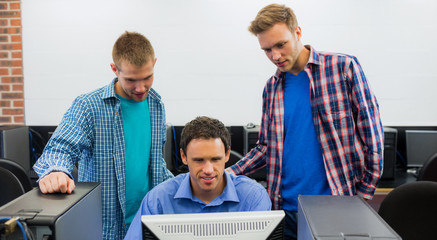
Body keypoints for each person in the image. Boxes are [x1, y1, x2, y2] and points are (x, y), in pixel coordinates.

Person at [226, 4, 384, 239]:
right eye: (267, 50)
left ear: (297, 32)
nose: (275, 56)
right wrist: (226, 173)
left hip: (337, 205)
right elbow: (265, 148)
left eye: (281, 44)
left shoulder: (343, 68)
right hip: (284, 207)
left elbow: (372, 136)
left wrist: (364, 193)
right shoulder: (272, 88)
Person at [33, 31, 173, 240]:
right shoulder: (89, 106)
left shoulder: (156, 104)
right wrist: (56, 171)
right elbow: (61, 147)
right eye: (131, 80)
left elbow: (154, 163)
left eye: (147, 77)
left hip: (147, 223)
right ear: (114, 69)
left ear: (154, 63)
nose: (141, 88)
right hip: (104, 228)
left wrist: (185, 185)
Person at [124, 116, 272, 239]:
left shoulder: (253, 197)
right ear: (183, 156)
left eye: (215, 159)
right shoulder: (158, 200)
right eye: (199, 160)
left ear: (227, 154)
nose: (208, 170)